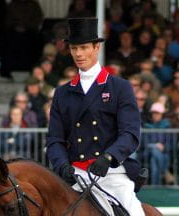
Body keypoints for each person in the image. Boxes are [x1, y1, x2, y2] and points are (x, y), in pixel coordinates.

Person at [47, 17, 145, 216]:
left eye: (83, 47)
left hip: (111, 173)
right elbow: (55, 139)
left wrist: (109, 157)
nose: (78, 54)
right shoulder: (62, 93)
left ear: (96, 47)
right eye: (74, 49)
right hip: (75, 175)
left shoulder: (120, 87)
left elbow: (130, 133)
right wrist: (62, 165)